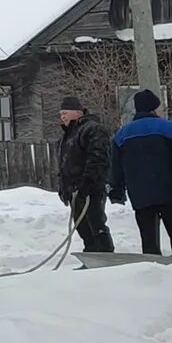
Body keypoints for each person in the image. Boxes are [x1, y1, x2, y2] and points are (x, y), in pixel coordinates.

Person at [109, 88, 172, 260]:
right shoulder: (170, 129)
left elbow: (115, 167)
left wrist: (117, 191)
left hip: (140, 196)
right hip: (171, 193)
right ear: (154, 109)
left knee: (149, 241)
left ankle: (152, 270)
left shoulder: (122, 135)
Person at [53, 96, 114, 253]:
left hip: (90, 189)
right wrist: (64, 188)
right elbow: (65, 164)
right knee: (82, 226)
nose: (62, 117)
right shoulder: (67, 136)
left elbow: (98, 158)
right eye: (61, 114)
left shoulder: (92, 129)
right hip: (74, 190)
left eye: (65, 112)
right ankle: (91, 253)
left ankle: (104, 254)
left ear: (78, 112)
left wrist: (88, 182)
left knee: (95, 222)